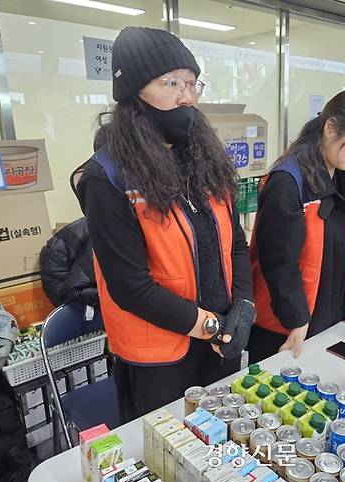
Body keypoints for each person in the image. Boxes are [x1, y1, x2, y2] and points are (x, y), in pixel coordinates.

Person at [76, 27, 255, 422]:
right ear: (133, 92)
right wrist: (211, 326)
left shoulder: (206, 161)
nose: (187, 97)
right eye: (171, 82)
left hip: (218, 344)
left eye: (192, 83)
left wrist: (242, 304)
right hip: (160, 358)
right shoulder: (107, 178)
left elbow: (236, 244)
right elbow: (131, 287)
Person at [247, 89, 345, 363]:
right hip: (287, 323)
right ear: (331, 128)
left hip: (330, 314)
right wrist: (296, 319)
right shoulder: (287, 182)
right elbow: (278, 263)